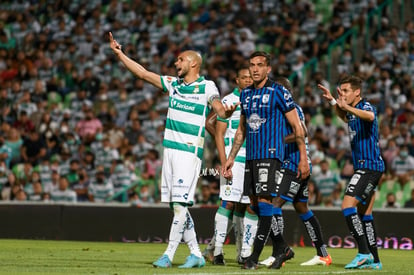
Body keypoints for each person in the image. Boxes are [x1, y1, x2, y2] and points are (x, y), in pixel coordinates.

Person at [109, 32, 237, 269]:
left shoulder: (206, 86)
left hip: (188, 153)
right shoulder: (174, 84)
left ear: (193, 63)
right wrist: (120, 54)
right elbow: (143, 73)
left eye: (180, 59)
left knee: (180, 205)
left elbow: (218, 108)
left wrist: (225, 112)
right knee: (177, 206)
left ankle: (168, 254)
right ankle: (196, 254)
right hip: (169, 151)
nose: (176, 63)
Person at [223, 51, 310, 270]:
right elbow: (241, 129)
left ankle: (253, 258)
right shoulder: (246, 95)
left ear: (268, 68)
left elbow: (297, 127)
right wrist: (231, 158)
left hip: (271, 155)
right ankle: (282, 247)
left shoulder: (279, 92)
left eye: (259, 65)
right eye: (251, 65)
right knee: (254, 207)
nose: (254, 69)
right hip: (251, 157)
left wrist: (303, 158)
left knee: (263, 203)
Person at [260, 77, 332, 269]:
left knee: (273, 204)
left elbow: (303, 132)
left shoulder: (291, 108)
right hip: (297, 165)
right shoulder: (284, 109)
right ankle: (323, 254)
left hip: (294, 166)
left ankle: (278, 253)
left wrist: (278, 140)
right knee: (302, 209)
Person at [318, 75, 385, 270]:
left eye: (346, 91)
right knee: (366, 214)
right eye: (342, 91)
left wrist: (345, 106)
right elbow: (345, 117)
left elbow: (370, 117)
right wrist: (333, 101)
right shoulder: (353, 113)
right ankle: (375, 260)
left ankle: (363, 253)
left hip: (369, 167)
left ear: (357, 92)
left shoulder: (365, 106)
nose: (343, 94)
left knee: (347, 206)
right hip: (368, 167)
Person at [202, 66, 258, 265]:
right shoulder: (228, 101)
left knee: (246, 206)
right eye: (244, 78)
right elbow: (214, 128)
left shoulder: (255, 100)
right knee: (228, 203)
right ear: (237, 80)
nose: (248, 81)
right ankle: (217, 252)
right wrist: (224, 157)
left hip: (252, 160)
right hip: (234, 162)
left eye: (250, 78)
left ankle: (242, 254)